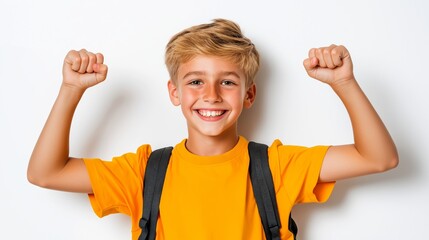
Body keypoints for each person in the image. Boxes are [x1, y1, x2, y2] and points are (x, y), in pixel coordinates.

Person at [27, 19, 398, 240]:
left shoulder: (276, 167)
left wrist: (344, 83)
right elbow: (46, 173)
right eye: (195, 82)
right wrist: (71, 90)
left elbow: (378, 158)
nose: (211, 95)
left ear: (249, 94)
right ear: (174, 92)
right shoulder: (144, 173)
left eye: (227, 82)